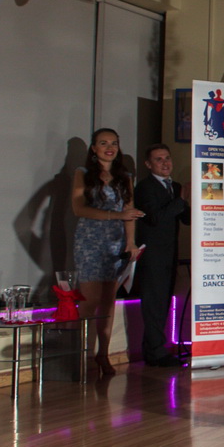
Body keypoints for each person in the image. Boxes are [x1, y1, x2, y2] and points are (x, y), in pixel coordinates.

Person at [70, 129, 144, 376]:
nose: (109, 148)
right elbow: (79, 209)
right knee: (89, 301)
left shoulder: (125, 176)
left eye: (114, 143)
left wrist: (131, 243)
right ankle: (82, 356)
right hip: (90, 240)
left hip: (115, 241)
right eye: (103, 143)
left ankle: (103, 354)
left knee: (108, 302)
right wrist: (115, 215)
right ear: (94, 148)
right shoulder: (83, 173)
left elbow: (130, 211)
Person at [134, 143, 189, 367]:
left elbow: (186, 218)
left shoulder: (174, 187)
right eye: (159, 159)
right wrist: (180, 200)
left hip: (170, 253)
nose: (165, 163)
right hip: (153, 255)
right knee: (154, 303)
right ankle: (156, 352)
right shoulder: (144, 188)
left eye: (167, 158)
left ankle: (155, 349)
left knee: (164, 302)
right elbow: (155, 218)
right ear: (148, 164)